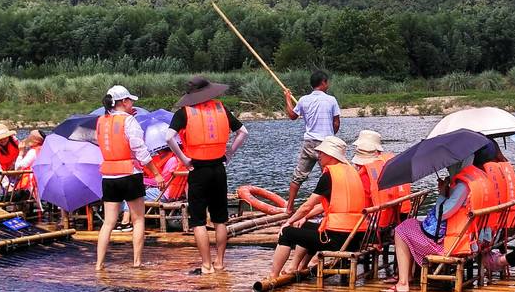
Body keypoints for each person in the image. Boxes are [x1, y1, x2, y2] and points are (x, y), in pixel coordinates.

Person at [166, 76, 248, 275]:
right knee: (220, 219)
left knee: (198, 220)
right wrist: (230, 153)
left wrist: (184, 159)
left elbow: (168, 137)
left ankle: (206, 265)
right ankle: (219, 262)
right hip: (219, 169)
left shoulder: (184, 113)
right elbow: (243, 132)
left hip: (198, 170)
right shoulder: (221, 109)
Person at [385, 158, 496, 292]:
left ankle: (403, 283)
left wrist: (442, 193)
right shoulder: (479, 178)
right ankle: (407, 275)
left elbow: (442, 213)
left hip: (451, 244)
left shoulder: (463, 186)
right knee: (410, 224)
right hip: (473, 238)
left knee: (401, 230)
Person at [268, 136, 365, 278]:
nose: (318, 156)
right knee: (304, 226)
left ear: (331, 155)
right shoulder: (352, 172)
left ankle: (273, 276)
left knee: (287, 233)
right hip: (355, 236)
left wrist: (288, 222)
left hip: (337, 240)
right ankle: (300, 267)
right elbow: (328, 205)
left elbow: (307, 206)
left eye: (321, 153)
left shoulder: (329, 175)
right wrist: (303, 218)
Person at [94, 85, 167, 272]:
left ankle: (99, 264)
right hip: (130, 174)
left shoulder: (101, 121)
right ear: (124, 102)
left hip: (109, 175)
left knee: (108, 223)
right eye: (130, 100)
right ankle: (136, 262)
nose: (133, 103)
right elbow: (140, 151)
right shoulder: (129, 121)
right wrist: (157, 173)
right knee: (138, 220)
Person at [283, 70, 341, 212]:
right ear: (323, 83)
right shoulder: (331, 100)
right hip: (326, 145)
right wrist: (331, 136)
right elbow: (337, 123)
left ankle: (289, 207)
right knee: (330, 176)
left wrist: (288, 98)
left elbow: (292, 116)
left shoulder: (303, 100)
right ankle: (330, 208)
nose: (328, 84)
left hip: (309, 143)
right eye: (327, 82)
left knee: (298, 176)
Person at [351, 129, 412, 230]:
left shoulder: (365, 175)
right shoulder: (390, 164)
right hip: (396, 221)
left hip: (374, 227)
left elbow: (357, 205)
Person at [14, 130, 45, 200]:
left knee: (6, 197)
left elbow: (18, 169)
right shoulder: (44, 150)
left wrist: (21, 153)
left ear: (35, 141)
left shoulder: (33, 152)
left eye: (29, 136)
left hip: (31, 188)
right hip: (42, 186)